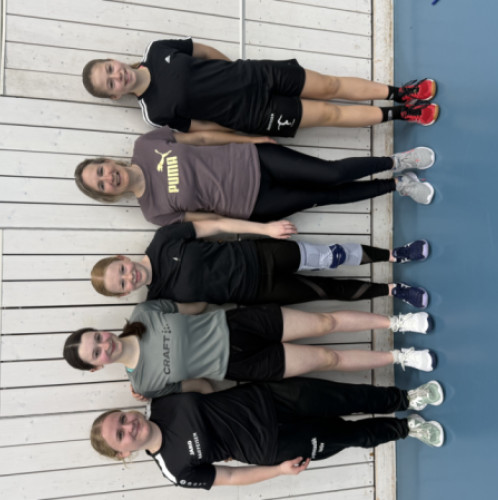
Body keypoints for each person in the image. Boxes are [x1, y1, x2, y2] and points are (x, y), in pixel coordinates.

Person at [90, 377, 445, 489]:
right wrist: (278, 470)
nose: (128, 426)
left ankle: (406, 398)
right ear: (125, 453)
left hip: (271, 398)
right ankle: (407, 427)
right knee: (349, 436)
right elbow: (230, 476)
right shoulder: (174, 470)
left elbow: (204, 386)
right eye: (120, 435)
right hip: (274, 445)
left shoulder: (162, 402)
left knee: (346, 397)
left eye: (121, 419)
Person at [63, 298, 435, 399]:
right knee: (328, 358)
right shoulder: (144, 385)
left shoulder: (143, 312)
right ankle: (401, 357)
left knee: (324, 323)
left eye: (97, 337)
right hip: (243, 365)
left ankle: (397, 323)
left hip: (240, 323)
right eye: (96, 353)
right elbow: (200, 386)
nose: (104, 344)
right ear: (97, 367)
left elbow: (197, 306)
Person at [74, 127, 436, 225]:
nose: (109, 178)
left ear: (108, 161)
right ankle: (397, 185)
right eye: (101, 184)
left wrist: (249, 138)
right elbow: (211, 222)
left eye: (101, 170)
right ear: (108, 195)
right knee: (326, 196)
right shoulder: (153, 212)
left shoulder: (146, 143)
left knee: (330, 173)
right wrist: (260, 229)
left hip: (253, 159)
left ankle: (395, 161)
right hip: (255, 204)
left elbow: (201, 137)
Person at [82, 38, 439, 136]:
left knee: (330, 85)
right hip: (256, 114)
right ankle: (404, 114)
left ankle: (401, 93)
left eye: (110, 69)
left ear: (114, 60)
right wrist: (244, 131)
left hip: (257, 74)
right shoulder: (155, 113)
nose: (117, 76)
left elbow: (201, 51)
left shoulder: (158, 50)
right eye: (110, 83)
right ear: (114, 94)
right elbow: (202, 128)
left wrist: (233, 70)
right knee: (330, 114)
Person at [89, 219, 431, 308]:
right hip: (258, 292)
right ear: (125, 293)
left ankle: (394, 254)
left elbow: (216, 225)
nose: (129, 277)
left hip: (259, 253)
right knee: (326, 290)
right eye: (122, 284)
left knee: (330, 256)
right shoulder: (156, 301)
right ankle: (393, 290)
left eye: (121, 270)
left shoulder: (163, 239)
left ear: (122, 258)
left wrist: (265, 229)